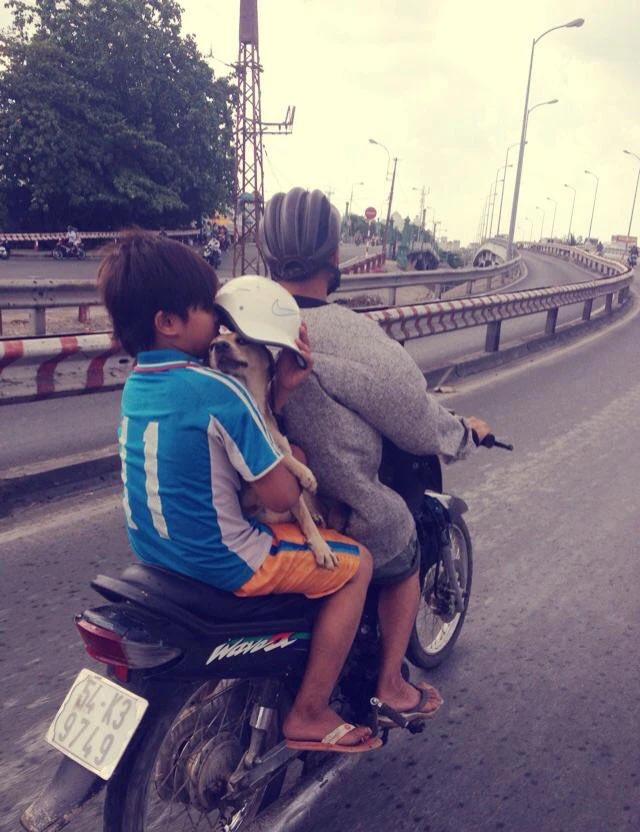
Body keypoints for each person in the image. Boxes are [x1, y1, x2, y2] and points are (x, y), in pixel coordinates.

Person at [97, 229, 379, 753]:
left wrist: (283, 389)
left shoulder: (137, 385)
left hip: (156, 557)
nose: (219, 322)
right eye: (208, 309)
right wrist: (297, 463)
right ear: (169, 321)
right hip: (226, 561)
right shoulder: (218, 389)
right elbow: (276, 496)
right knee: (357, 563)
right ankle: (311, 711)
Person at [259, 187, 492, 721]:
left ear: (267, 254)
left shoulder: (237, 322)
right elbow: (412, 420)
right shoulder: (354, 335)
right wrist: (460, 432)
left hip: (249, 498)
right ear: (336, 257)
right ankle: (389, 684)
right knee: (398, 531)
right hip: (334, 507)